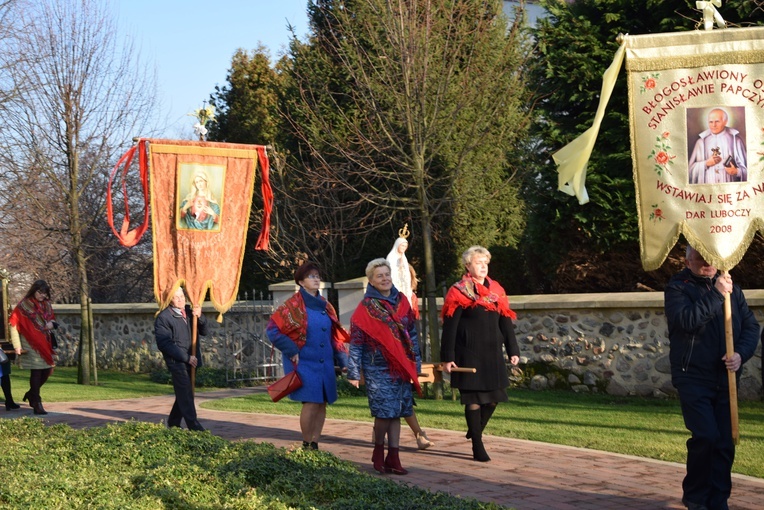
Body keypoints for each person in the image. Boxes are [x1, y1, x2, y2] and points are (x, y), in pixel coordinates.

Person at [664, 245, 759, 510]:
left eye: (711, 256)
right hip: (692, 376)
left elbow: (751, 327)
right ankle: (695, 496)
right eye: (700, 256)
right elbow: (686, 320)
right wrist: (717, 294)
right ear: (687, 259)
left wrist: (741, 354)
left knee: (725, 442)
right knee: (705, 436)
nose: (707, 261)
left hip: (725, 378)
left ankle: (718, 501)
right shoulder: (678, 288)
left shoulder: (733, 291)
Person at [440, 246, 520, 462]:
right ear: (468, 266)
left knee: (494, 399)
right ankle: (477, 443)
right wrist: (447, 357)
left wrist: (513, 350)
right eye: (478, 262)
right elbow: (450, 327)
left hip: (492, 353)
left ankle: (474, 429)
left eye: (485, 262)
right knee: (474, 400)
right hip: (468, 352)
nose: (483, 266)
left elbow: (506, 320)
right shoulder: (458, 290)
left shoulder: (497, 290)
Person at [348, 258, 421, 475]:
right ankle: (379, 451)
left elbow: (413, 335)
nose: (385, 278)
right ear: (371, 280)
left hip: (401, 366)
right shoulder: (366, 307)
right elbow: (356, 342)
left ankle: (394, 457)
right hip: (376, 368)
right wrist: (353, 372)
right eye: (379, 276)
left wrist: (415, 363)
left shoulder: (403, 302)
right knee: (383, 412)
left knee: (398, 411)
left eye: (387, 274)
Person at [266, 262, 349, 450]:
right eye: (311, 276)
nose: (316, 279)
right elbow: (272, 330)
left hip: (325, 362)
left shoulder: (327, 306)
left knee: (322, 403)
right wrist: (291, 350)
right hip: (303, 362)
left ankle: (315, 443)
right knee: (311, 402)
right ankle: (306, 442)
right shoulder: (291, 306)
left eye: (318, 276)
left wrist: (342, 359)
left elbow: (334, 334)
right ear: (301, 282)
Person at [382, 232, 433, 450]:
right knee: (386, 401)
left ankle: (418, 434)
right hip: (384, 360)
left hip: (403, 358)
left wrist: (415, 364)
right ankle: (383, 438)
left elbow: (412, 336)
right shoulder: (376, 304)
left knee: (403, 398)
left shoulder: (408, 303)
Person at [154, 286, 207, 431]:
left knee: (184, 393)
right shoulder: (164, 318)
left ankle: (173, 422)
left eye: (182, 296)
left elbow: (205, 331)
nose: (180, 299)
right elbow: (165, 344)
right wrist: (186, 357)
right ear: (169, 300)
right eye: (176, 297)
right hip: (178, 363)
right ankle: (195, 427)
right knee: (186, 394)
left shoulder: (190, 312)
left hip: (193, 360)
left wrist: (200, 316)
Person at [8, 280, 56, 415]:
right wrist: (17, 345)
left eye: (45, 293)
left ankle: (31, 394)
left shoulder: (47, 305)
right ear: (34, 290)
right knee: (36, 371)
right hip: (30, 343)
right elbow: (13, 324)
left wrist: (52, 323)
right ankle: (37, 402)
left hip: (45, 342)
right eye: (40, 292)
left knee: (49, 370)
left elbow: (52, 319)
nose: (42, 295)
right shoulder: (23, 305)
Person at [688, 108, 747, 184]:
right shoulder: (701, 142)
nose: (713, 125)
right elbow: (690, 171)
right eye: (711, 122)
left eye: (717, 121)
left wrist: (737, 171)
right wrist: (706, 163)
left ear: (725, 122)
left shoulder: (736, 141)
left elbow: (749, 171)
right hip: (708, 189)